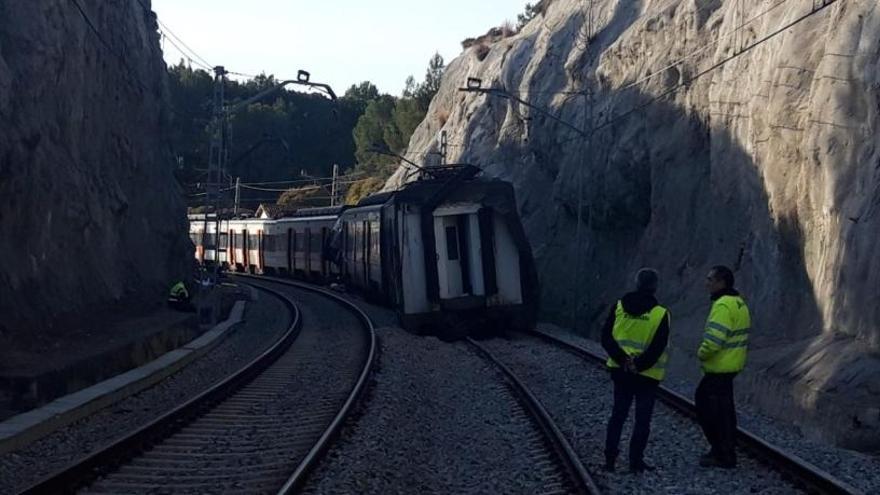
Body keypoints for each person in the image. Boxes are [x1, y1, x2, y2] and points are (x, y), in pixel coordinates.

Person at [602, 268, 671, 473]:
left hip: (621, 372)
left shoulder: (619, 307)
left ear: (636, 283)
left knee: (618, 415)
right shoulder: (661, 314)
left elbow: (606, 337)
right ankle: (635, 462)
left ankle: (610, 460)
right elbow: (658, 347)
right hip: (646, 376)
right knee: (642, 419)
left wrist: (623, 360)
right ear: (655, 286)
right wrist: (638, 365)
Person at [695, 265, 751, 469]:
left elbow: (714, 340)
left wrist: (701, 353)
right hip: (731, 366)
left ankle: (721, 452)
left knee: (706, 407)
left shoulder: (723, 306)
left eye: (710, 279)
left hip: (719, 367)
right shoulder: (739, 303)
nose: (706, 283)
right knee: (725, 411)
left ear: (721, 283)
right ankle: (726, 449)